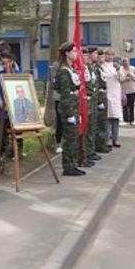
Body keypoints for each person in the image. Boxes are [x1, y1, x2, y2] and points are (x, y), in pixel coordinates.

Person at [54, 42, 85, 176]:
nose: (76, 54)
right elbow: (65, 94)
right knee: (69, 138)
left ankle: (72, 164)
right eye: (73, 51)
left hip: (73, 107)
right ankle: (68, 166)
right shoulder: (63, 71)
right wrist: (70, 113)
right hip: (68, 109)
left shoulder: (71, 69)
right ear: (66, 53)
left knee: (73, 138)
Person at [101, 55, 123, 148]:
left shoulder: (117, 67)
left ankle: (116, 138)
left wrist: (118, 70)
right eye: (108, 55)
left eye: (111, 55)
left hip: (116, 94)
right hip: (108, 93)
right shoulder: (102, 66)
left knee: (116, 118)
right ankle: (108, 139)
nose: (110, 57)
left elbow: (121, 79)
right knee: (108, 117)